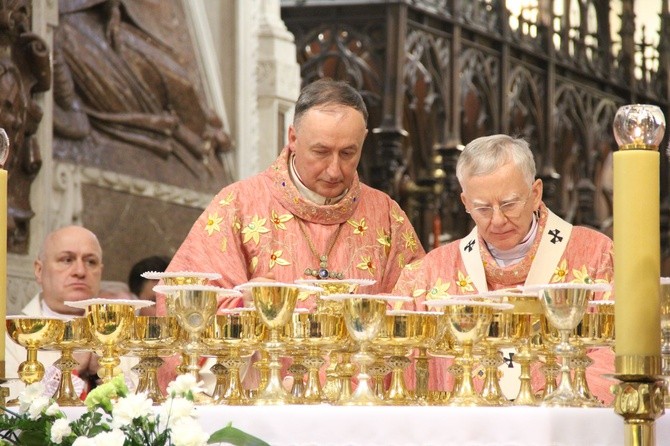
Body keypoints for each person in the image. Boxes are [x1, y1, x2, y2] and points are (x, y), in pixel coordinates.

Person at [157, 78, 425, 389]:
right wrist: (243, 308)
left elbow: (417, 314)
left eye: (348, 153)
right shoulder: (238, 205)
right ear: (293, 137)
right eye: (321, 151)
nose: (335, 170)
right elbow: (181, 304)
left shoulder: (386, 216)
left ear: (363, 141)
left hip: (361, 408)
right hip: (264, 409)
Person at [392, 134, 614, 404]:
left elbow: (618, 352)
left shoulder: (596, 255)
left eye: (509, 204)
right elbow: (399, 365)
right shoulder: (428, 275)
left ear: (535, 194)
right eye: (483, 208)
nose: (497, 220)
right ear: (465, 203)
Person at [5, 226, 138, 400]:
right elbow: (11, 411)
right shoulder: (8, 337)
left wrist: (104, 373)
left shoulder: (125, 335)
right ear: (39, 270)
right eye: (67, 260)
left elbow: (143, 410)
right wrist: (68, 368)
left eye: (91, 262)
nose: (80, 271)